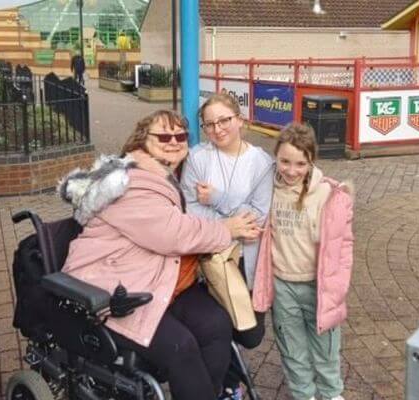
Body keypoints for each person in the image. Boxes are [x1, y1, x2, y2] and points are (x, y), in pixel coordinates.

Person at [59, 110, 261, 400]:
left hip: (158, 277)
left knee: (217, 325)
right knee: (182, 347)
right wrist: (227, 229)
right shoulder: (131, 181)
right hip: (116, 288)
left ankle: (212, 393)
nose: (174, 141)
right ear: (142, 139)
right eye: (164, 136)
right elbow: (172, 233)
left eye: (180, 136)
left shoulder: (166, 175)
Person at [180, 93, 274, 399]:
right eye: (209, 125)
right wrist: (229, 227)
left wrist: (218, 199)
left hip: (249, 256)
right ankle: (228, 384)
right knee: (219, 327)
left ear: (240, 120)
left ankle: (223, 377)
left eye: (224, 120)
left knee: (250, 334)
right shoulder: (198, 157)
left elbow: (258, 214)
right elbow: (190, 211)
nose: (217, 129)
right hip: (211, 259)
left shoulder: (261, 162)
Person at [252, 122, 354, 400]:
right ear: (276, 158)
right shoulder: (267, 190)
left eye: (300, 163)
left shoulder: (328, 195)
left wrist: (340, 284)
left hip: (318, 287)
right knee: (291, 347)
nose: (291, 170)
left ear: (311, 162)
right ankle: (303, 394)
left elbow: (344, 244)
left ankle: (332, 393)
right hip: (283, 285)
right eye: (284, 161)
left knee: (326, 348)